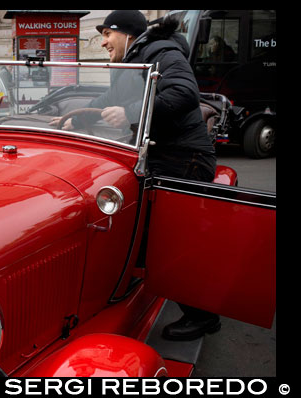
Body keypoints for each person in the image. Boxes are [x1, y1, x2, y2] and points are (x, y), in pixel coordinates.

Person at [52, 10, 219, 341]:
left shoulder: (161, 52)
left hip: (185, 158)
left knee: (165, 237)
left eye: (107, 34)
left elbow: (184, 94)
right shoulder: (134, 59)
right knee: (131, 218)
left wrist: (131, 113)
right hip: (160, 155)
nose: (102, 41)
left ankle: (203, 316)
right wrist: (75, 120)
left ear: (126, 33)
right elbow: (110, 100)